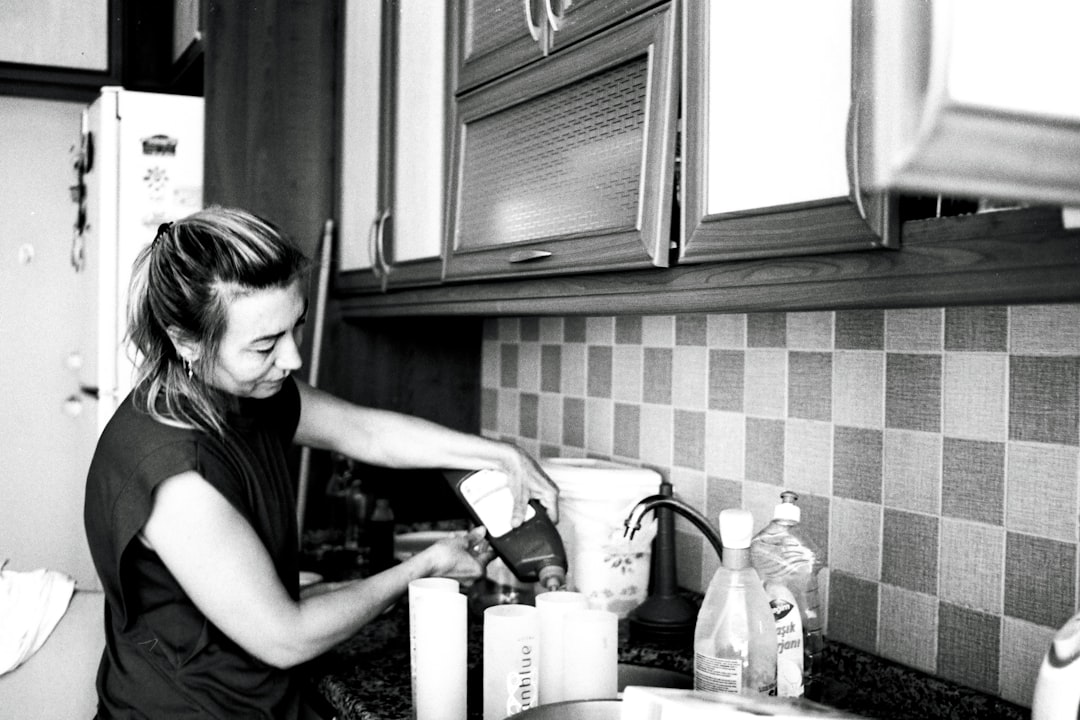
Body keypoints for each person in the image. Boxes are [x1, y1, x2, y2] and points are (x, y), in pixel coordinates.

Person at [83, 206, 558, 719]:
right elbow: (286, 637)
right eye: (265, 345)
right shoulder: (174, 475)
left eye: (296, 328)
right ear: (186, 342)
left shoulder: (244, 393)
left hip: (264, 702)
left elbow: (365, 432)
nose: (291, 360)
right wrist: (423, 568)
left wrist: (502, 455)